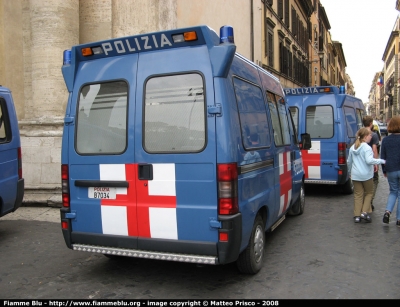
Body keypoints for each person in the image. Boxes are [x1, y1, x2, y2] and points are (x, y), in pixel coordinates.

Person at [347, 127, 386, 223]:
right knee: (369, 193)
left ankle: (357, 215)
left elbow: (349, 162)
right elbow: (369, 161)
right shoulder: (367, 148)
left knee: (358, 195)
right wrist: (381, 161)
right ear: (365, 137)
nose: (370, 137)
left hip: (355, 175)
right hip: (366, 175)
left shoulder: (353, 147)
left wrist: (349, 172)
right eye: (369, 135)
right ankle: (364, 212)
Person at [380, 116, 400, 226]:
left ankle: (387, 212)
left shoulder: (386, 140)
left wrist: (384, 170)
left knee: (393, 191)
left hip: (391, 169)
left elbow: (383, 157)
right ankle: (399, 219)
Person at [362, 116, 380, 211]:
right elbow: (374, 150)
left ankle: (364, 202)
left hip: (361, 161)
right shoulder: (373, 135)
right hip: (370, 161)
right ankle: (369, 201)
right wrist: (375, 163)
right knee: (375, 180)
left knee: (363, 182)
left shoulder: (360, 134)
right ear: (370, 124)